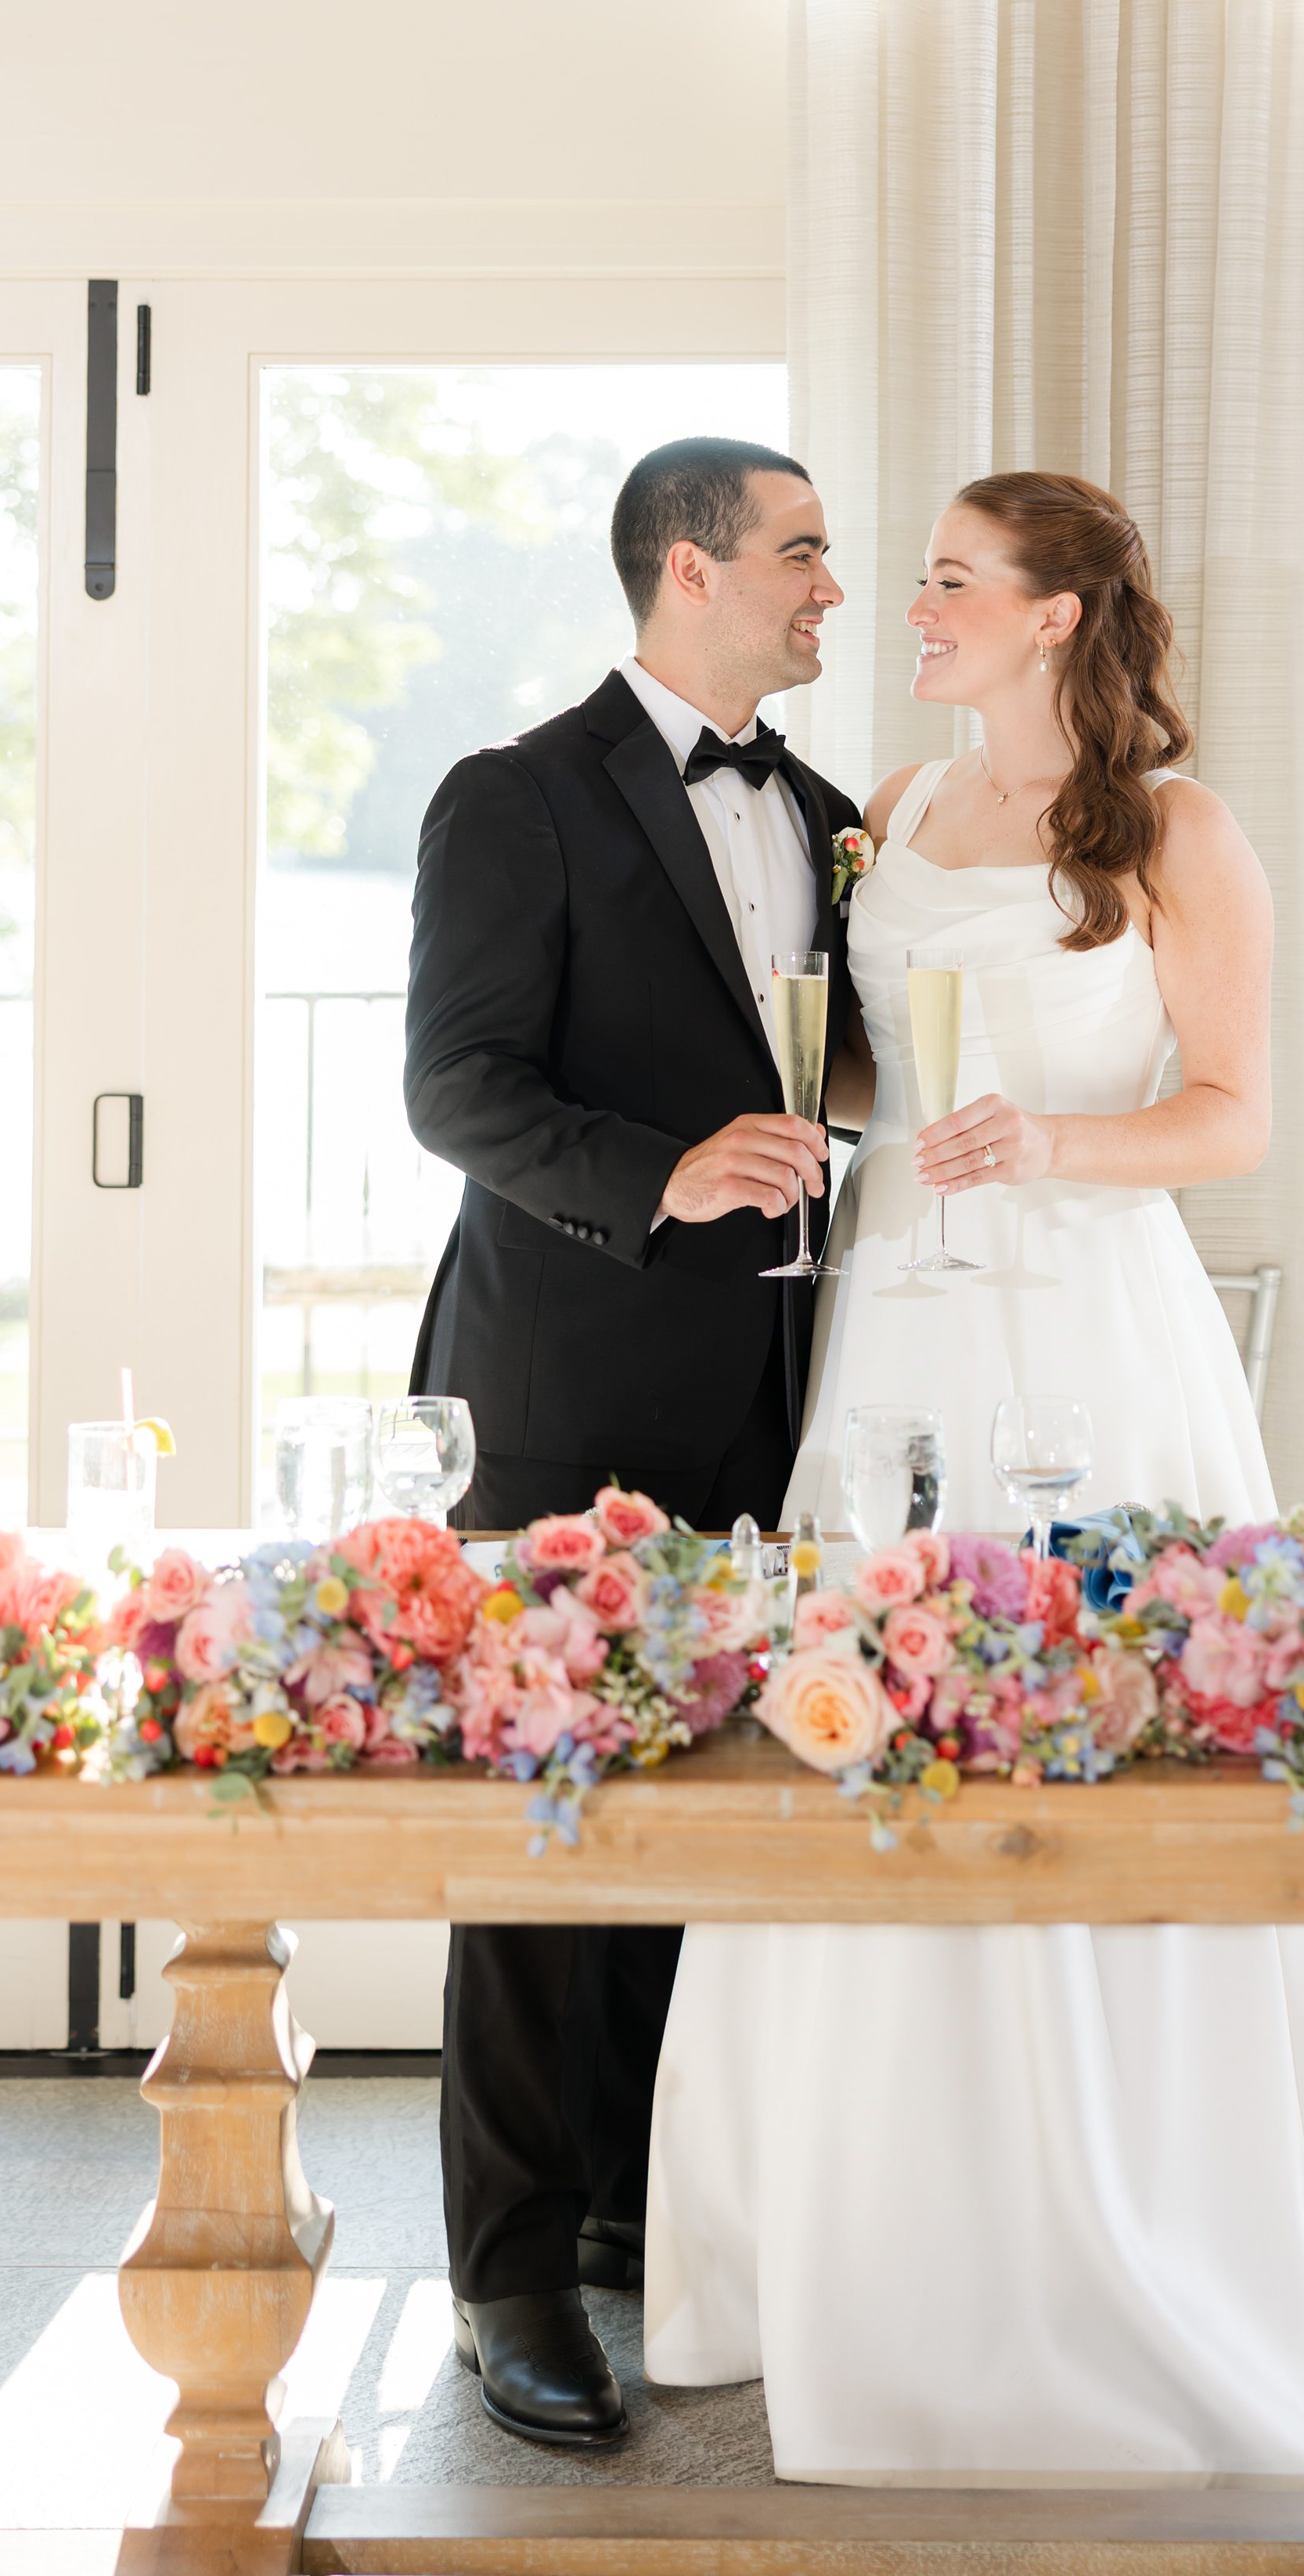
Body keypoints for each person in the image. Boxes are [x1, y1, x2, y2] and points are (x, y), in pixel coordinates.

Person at [643, 470, 1304, 2487]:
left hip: (1095, 1335)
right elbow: (880, 1065)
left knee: (1104, 1736)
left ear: (1053, 617)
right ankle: (871, 2241)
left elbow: (1230, 1117)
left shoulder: (1177, 834)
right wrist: (777, 1110)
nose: (911, 603)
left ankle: (1145, 2237)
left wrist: (1043, 1145)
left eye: (951, 579)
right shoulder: (903, 804)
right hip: (897, 1316)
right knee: (867, 1727)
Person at [404, 435, 861, 2449]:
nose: (829, 592)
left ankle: (626, 2215)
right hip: (566, 1383)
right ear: (690, 569)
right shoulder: (514, 798)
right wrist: (662, 1175)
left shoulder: (843, 819)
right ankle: (509, 2274)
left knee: (706, 1815)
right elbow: (456, 1087)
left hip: (786, 1401)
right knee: (542, 1833)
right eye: (803, 555)